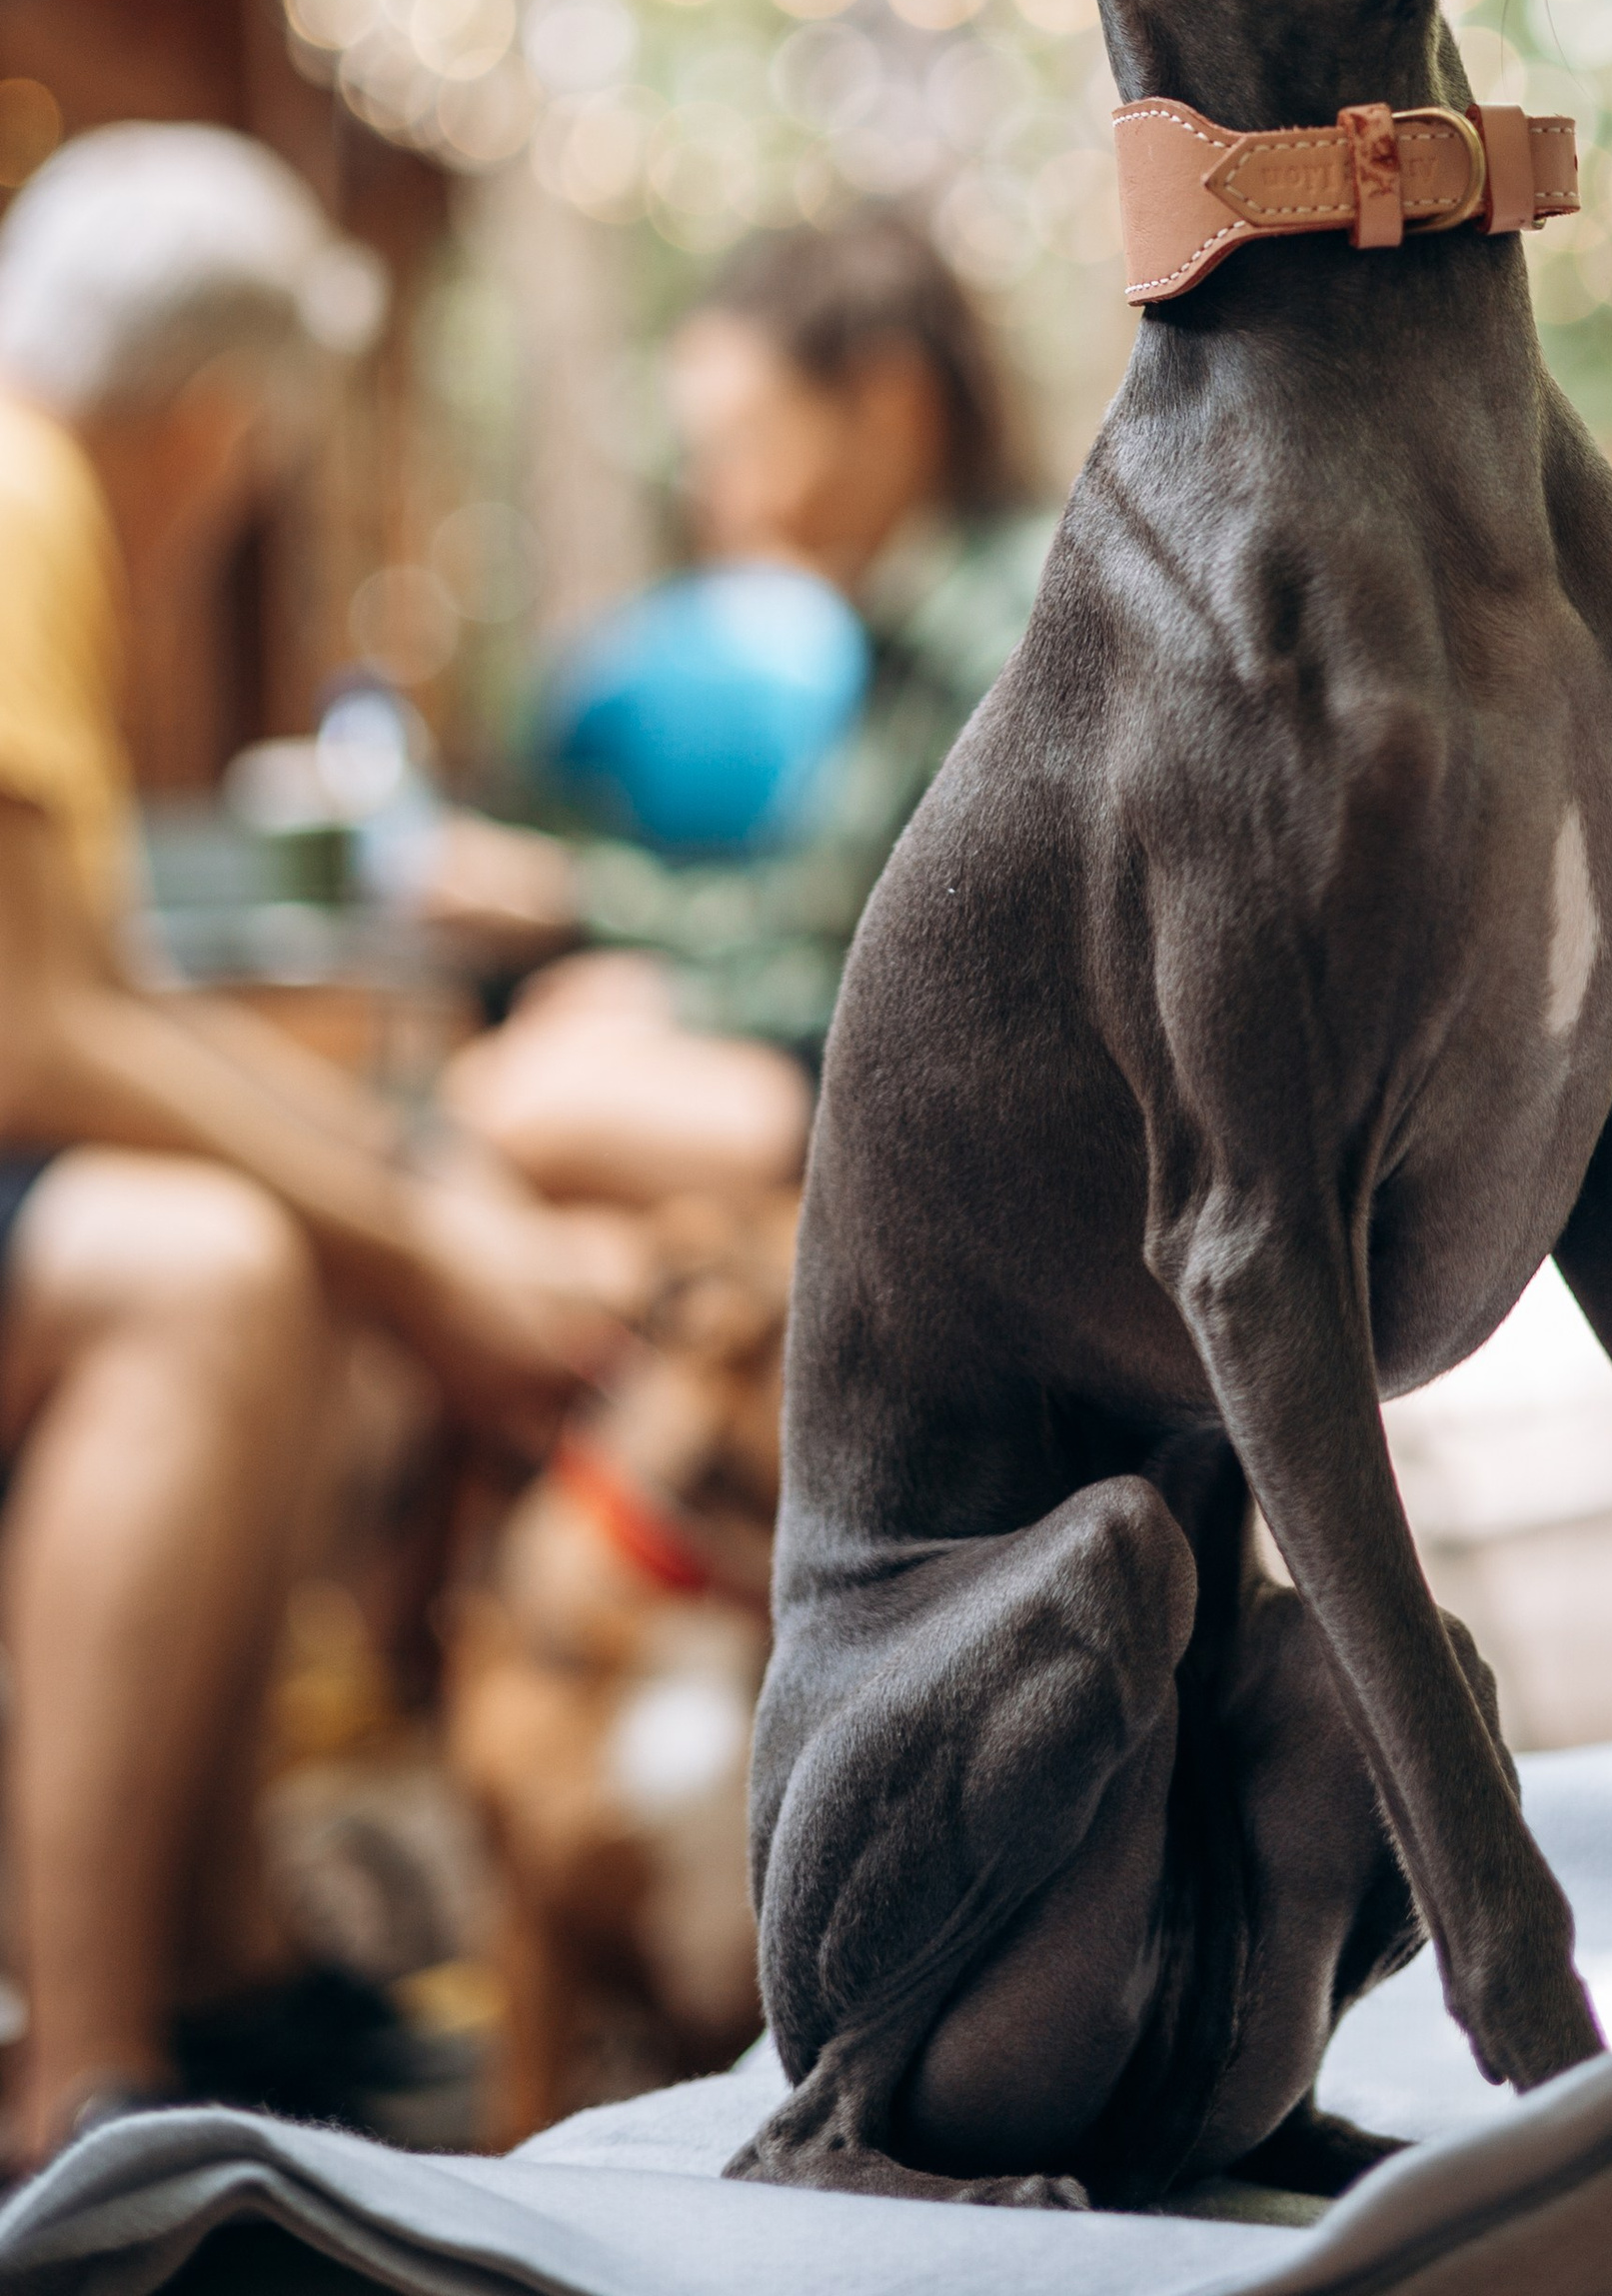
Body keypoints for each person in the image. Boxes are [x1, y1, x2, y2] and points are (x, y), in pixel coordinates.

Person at [0, 124, 634, 2170]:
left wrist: (398, 1190)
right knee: (216, 1271)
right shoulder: (20, 496)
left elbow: (94, 1000)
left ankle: (219, 1968)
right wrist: (409, 1237)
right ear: (212, 409)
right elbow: (32, 1037)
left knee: (287, 1239)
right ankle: (75, 2075)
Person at [428, 216, 1051, 1208]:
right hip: (879, 1061)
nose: (715, 495)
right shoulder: (917, 619)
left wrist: (676, 999)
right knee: (527, 1065)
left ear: (889, 406)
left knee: (517, 1105)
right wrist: (594, 924)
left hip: (965, 1119)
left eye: (743, 441)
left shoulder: (1007, 629)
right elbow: (825, 917)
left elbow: (935, 986)